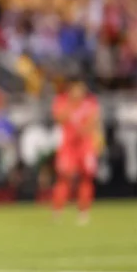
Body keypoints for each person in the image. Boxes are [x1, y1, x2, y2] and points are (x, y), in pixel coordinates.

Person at [51, 75, 100, 225]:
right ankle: (57, 211)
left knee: (86, 177)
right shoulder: (61, 101)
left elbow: (93, 122)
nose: (79, 91)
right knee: (64, 177)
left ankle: (83, 212)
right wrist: (70, 107)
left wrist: (85, 131)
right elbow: (59, 119)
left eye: (81, 88)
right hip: (68, 147)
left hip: (85, 146)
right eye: (76, 88)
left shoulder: (90, 103)